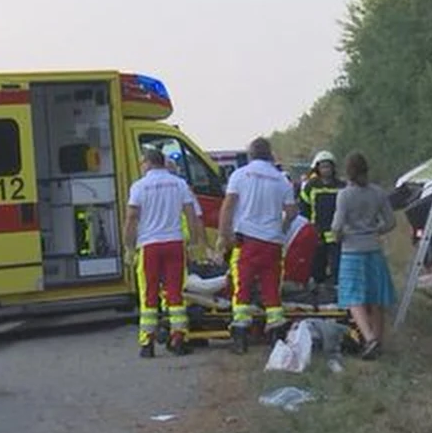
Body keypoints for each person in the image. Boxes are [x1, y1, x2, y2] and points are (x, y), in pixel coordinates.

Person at [217, 137, 298, 354]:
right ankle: (276, 334)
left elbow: (228, 207)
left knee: (242, 288)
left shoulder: (240, 175)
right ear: (270, 154)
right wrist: (282, 227)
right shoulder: (281, 180)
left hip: (247, 241)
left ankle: (241, 335)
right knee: (271, 289)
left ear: (250, 154)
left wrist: (224, 236)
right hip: (272, 243)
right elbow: (291, 213)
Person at [123, 149, 206, 357]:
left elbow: (132, 218)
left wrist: (129, 246)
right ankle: (178, 338)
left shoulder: (139, 186)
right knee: (176, 294)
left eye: (142, 162)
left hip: (149, 245)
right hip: (175, 244)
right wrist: (195, 243)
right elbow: (190, 214)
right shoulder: (179, 184)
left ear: (148, 163)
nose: (141, 166)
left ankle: (147, 343)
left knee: (148, 294)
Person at [330, 151, 397, 360]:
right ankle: (379, 339)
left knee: (353, 298)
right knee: (376, 297)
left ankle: (369, 338)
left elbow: (337, 226)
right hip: (373, 250)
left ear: (347, 172)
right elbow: (391, 222)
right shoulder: (378, 193)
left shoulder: (345, 195)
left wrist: (339, 237)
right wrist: (375, 231)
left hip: (352, 252)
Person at [298, 150, 345, 287]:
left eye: (328, 166)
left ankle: (337, 294)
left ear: (333, 168)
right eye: (323, 167)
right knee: (316, 269)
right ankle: (318, 295)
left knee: (337, 267)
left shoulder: (341, 186)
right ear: (317, 168)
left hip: (337, 235)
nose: (326, 170)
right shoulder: (310, 187)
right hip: (316, 235)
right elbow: (304, 208)